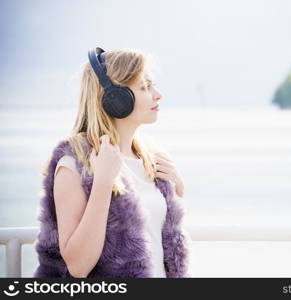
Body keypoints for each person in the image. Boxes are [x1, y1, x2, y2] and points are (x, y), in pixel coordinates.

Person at [33, 47, 191, 278]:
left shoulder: (152, 161)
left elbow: (159, 241)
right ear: (115, 99)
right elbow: (78, 266)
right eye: (145, 87)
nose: (158, 95)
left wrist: (177, 188)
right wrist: (103, 183)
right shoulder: (75, 164)